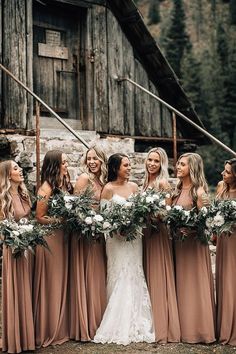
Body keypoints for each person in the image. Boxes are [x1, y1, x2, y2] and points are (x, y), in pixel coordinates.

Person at [94, 153, 155, 345]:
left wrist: (135, 222)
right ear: (115, 168)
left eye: (129, 165)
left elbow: (141, 213)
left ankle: (138, 320)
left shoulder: (134, 187)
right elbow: (103, 218)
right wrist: (117, 229)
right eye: (126, 165)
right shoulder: (108, 189)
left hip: (134, 237)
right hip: (116, 240)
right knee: (119, 272)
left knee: (135, 272)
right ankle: (117, 320)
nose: (129, 168)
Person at [172, 152, 215, 343]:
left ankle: (199, 330)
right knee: (181, 285)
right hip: (178, 246)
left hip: (194, 247)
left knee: (194, 285)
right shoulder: (176, 190)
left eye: (182, 164)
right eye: (178, 164)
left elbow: (208, 224)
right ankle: (183, 328)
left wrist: (191, 229)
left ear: (192, 168)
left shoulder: (199, 193)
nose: (178, 167)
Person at [33, 150, 72, 347]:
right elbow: (39, 217)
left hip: (62, 238)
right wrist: (61, 220)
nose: (67, 165)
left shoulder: (62, 184)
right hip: (50, 239)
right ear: (55, 165)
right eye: (64, 162)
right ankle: (49, 327)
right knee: (52, 281)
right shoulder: (45, 189)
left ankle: (62, 324)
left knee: (62, 279)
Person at [142, 147, 180, 343]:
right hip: (146, 232)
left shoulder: (163, 183)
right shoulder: (145, 182)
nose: (152, 164)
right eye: (150, 160)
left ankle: (163, 326)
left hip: (158, 232)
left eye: (156, 161)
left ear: (162, 164)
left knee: (158, 274)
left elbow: (166, 213)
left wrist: (149, 212)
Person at [69, 145, 107, 340]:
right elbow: (76, 207)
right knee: (88, 274)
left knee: (99, 274)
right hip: (85, 234)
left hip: (100, 234)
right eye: (89, 158)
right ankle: (86, 322)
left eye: (95, 158)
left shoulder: (104, 181)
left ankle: (100, 319)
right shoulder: (84, 179)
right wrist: (88, 222)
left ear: (102, 160)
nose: (91, 162)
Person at [0, 160, 35, 353]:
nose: (20, 170)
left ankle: (27, 336)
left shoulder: (23, 193)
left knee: (26, 289)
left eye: (19, 167)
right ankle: (15, 338)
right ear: (7, 175)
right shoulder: (2, 198)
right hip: (12, 250)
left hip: (26, 249)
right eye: (15, 168)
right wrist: (15, 236)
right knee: (16, 290)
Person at [215, 158, 236, 345]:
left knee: (232, 280)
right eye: (224, 170)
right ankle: (223, 326)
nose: (223, 173)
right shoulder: (221, 187)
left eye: (228, 172)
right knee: (223, 280)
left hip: (234, 241)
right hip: (222, 239)